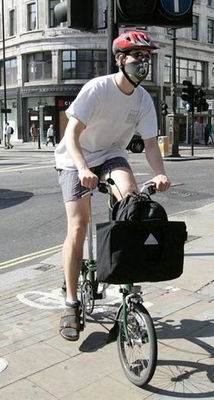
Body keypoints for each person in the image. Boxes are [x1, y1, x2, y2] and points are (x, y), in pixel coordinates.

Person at [54, 30, 171, 341]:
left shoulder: (144, 99)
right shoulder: (98, 89)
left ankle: (126, 285)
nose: (144, 64)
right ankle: (70, 302)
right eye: (138, 58)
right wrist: (81, 168)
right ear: (121, 60)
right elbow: (71, 135)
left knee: (130, 201)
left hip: (110, 155)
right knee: (79, 227)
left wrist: (159, 173)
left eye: (148, 58)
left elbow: (149, 145)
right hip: (74, 158)